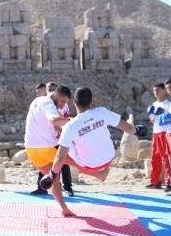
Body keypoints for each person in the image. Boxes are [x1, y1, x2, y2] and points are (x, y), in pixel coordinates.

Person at [39, 87, 147, 216]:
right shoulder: (102, 112)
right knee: (103, 132)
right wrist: (138, 130)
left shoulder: (70, 126)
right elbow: (128, 128)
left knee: (66, 144)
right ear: (92, 102)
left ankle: (98, 171)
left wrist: (51, 176)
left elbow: (60, 158)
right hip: (109, 157)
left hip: (88, 165)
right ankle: (104, 170)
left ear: (74, 102)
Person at [24, 84, 72, 199]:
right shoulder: (46, 103)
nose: (50, 92)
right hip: (47, 140)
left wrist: (66, 134)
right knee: (47, 165)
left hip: (57, 138)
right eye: (48, 90)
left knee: (64, 164)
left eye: (52, 90)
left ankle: (68, 187)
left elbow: (61, 122)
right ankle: (43, 187)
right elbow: (51, 121)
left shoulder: (62, 106)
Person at [146, 83, 171, 190]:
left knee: (165, 157)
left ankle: (169, 182)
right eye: (154, 91)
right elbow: (152, 120)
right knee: (155, 157)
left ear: (163, 91)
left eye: (158, 90)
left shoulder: (168, 104)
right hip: (155, 132)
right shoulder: (154, 104)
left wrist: (163, 115)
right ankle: (155, 181)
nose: (156, 93)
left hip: (165, 132)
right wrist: (153, 114)